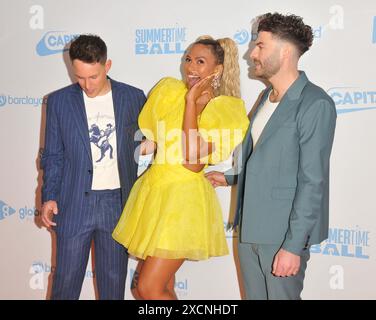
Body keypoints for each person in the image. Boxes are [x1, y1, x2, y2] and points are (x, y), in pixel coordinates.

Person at [206, 13, 337, 300]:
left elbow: (312, 181)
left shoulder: (315, 103)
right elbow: (264, 155)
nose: (252, 53)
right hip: (250, 226)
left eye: (261, 45)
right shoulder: (267, 97)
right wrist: (230, 177)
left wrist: (292, 245)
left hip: (282, 235)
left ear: (285, 51)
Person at [112, 36, 250, 300]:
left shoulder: (225, 110)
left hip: (183, 203)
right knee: (159, 288)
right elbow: (149, 143)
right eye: (188, 59)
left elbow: (192, 160)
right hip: (155, 195)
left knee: (147, 288)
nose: (191, 67)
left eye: (200, 61)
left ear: (217, 69)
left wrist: (191, 102)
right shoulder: (168, 91)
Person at [40, 34, 146, 300]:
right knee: (65, 284)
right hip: (74, 202)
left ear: (107, 65)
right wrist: (49, 195)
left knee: (113, 287)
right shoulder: (59, 101)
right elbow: (53, 154)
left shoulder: (133, 98)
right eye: (79, 77)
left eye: (93, 77)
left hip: (116, 204)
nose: (86, 85)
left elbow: (144, 150)